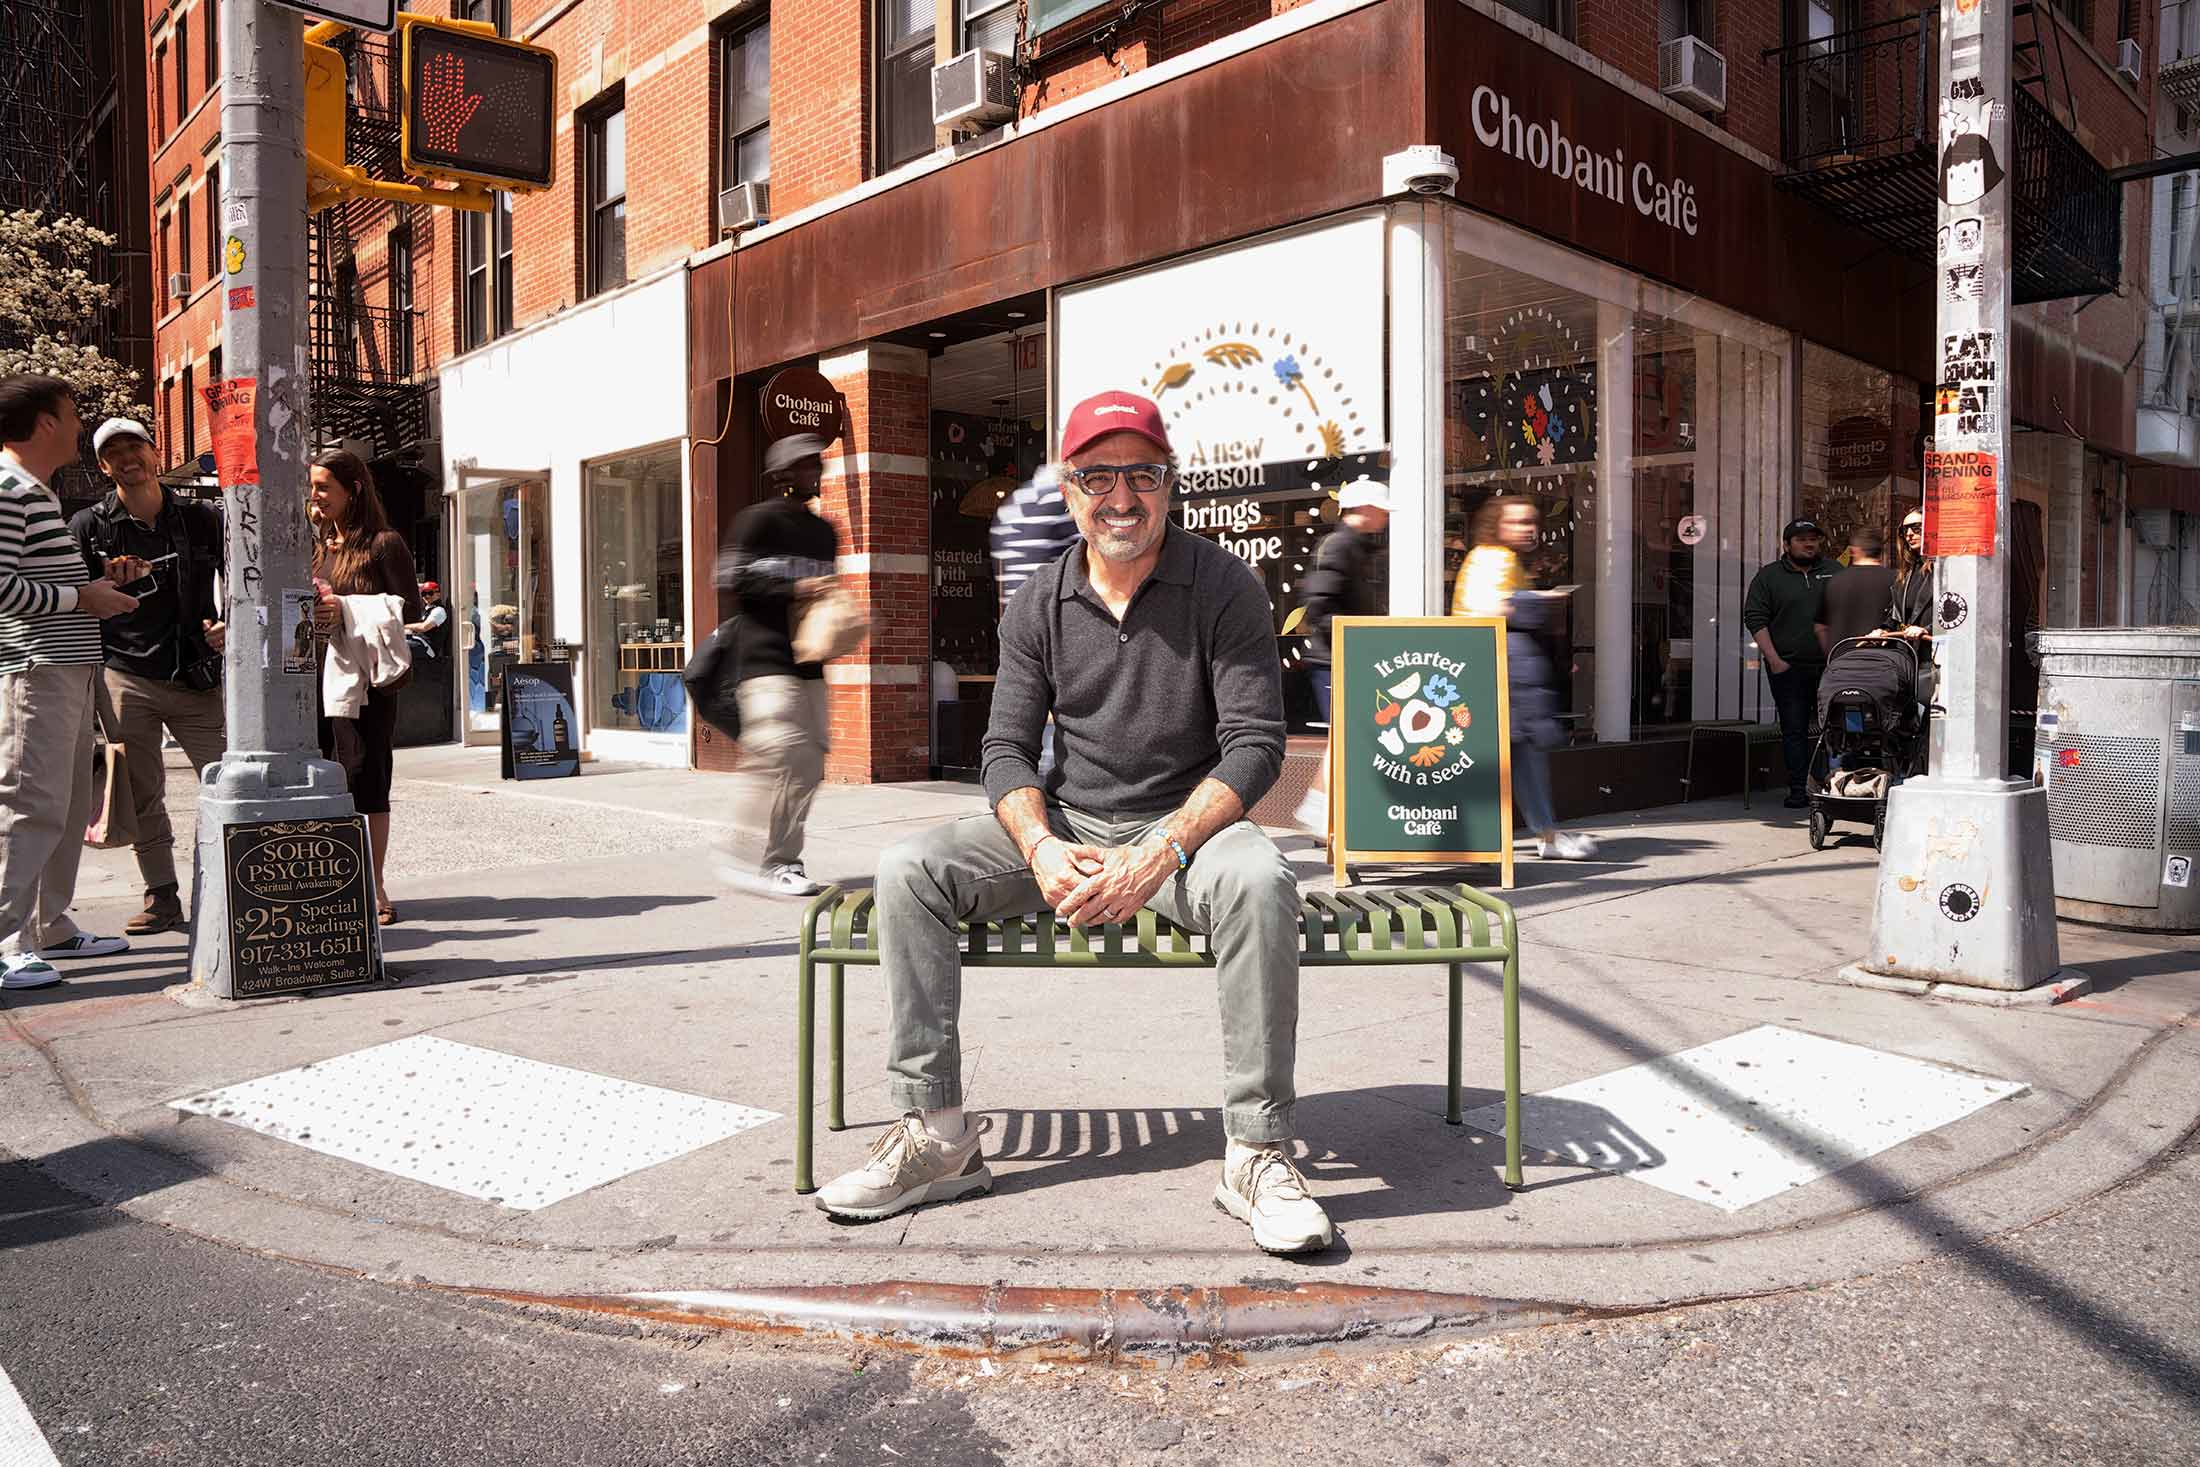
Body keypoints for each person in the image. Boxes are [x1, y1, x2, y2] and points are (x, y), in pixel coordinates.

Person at [815, 390, 1331, 1256]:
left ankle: (1254, 1148)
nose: (1120, 497)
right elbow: (1006, 751)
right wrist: (1042, 844)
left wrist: (1165, 847)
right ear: (1068, 487)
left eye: (1143, 473)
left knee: (1259, 877)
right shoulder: (1038, 602)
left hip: (1187, 833)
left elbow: (1253, 748)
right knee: (909, 865)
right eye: (1098, 474)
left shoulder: (1224, 586)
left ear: (1171, 485)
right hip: (1075, 824)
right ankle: (938, 1135)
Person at [0, 375, 141, 988]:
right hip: (38, 672)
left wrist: (95, 587)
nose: (82, 425)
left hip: (66, 669)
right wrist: (81, 596)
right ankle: (8, 942)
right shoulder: (9, 489)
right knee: (30, 805)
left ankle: (49, 926)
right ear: (45, 422)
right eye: (73, 412)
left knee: (65, 804)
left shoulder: (32, 491)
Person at [66, 418, 228, 935]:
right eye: (114, 452)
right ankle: (162, 894)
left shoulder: (202, 517)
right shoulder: (88, 526)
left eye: (134, 446)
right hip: (124, 675)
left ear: (155, 453)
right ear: (103, 465)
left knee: (227, 781)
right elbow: (71, 600)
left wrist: (231, 625)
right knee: (142, 792)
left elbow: (246, 578)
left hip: (195, 673)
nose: (127, 458)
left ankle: (233, 883)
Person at [716, 434, 840, 899]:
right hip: (763, 661)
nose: (817, 472)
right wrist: (794, 590)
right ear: (783, 474)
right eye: (808, 465)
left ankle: (774, 859)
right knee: (779, 756)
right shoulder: (756, 521)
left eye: (818, 463)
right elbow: (727, 577)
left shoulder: (824, 532)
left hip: (809, 664)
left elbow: (822, 593)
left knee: (808, 767)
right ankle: (758, 858)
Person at [309, 449, 422, 926]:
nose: (314, 496)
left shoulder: (383, 544)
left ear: (352, 489)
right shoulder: (313, 544)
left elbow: (411, 609)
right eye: (311, 488)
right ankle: (335, 882)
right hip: (316, 676)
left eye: (323, 487)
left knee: (367, 780)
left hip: (368, 685)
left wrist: (347, 606)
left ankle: (372, 884)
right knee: (324, 779)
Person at [1453, 496, 1598, 860]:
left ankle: (1545, 834)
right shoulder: (1495, 558)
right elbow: (1489, 609)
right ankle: (1545, 836)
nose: (1528, 528)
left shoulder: (1496, 558)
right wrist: (1537, 601)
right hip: (1504, 672)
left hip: (1497, 669)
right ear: (1497, 525)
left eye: (1531, 521)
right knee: (1523, 757)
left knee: (1520, 757)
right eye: (1517, 522)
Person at [1293, 479, 1389, 833]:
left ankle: (1324, 812)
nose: (1385, 517)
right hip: (1335, 660)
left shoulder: (1354, 548)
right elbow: (1318, 607)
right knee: (1349, 735)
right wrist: (1359, 635)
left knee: (1349, 735)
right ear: (1364, 510)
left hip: (1343, 657)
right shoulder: (1339, 547)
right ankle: (1318, 809)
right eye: (1381, 509)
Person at [1743, 518, 1839, 809]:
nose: (1809, 543)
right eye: (1801, 539)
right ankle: (1799, 789)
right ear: (1786, 545)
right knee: (1794, 729)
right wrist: (1774, 660)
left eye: (1813, 538)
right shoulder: (1769, 576)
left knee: (1834, 730)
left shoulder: (1835, 572)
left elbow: (1849, 612)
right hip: (1789, 669)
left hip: (1831, 668)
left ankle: (1832, 787)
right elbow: (1755, 618)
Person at [1815, 525, 1898, 655]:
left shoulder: (1835, 581)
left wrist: (1831, 656)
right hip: (1884, 664)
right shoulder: (1897, 581)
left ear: (1854, 550)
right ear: (1881, 551)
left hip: (1842, 662)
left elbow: (1820, 627)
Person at [1893, 508, 1933, 633]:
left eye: (1917, 528)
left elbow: (1955, 612)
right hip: (1908, 647)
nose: (1909, 534)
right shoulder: (1908, 570)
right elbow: (1896, 615)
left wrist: (1927, 630)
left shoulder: (1944, 569)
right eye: (1904, 530)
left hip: (1933, 647)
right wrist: (1883, 629)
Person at [404, 580, 447, 659]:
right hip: (420, 642)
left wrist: (404, 626)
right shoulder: (427, 610)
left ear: (438, 594)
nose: (427, 596)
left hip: (428, 649)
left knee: (400, 647)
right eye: (424, 594)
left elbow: (424, 627)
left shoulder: (439, 611)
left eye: (430, 593)